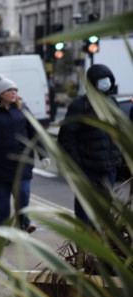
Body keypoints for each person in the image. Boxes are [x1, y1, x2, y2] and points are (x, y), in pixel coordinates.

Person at [58, 64, 122, 226]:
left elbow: (118, 133)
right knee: (85, 207)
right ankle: (83, 241)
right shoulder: (80, 105)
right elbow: (67, 137)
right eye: (102, 80)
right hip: (87, 167)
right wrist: (77, 164)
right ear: (92, 83)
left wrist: (117, 158)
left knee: (104, 207)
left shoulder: (112, 103)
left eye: (108, 79)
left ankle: (98, 239)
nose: (106, 83)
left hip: (108, 167)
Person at [0, 75, 50, 232]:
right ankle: (3, 230)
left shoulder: (23, 110)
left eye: (15, 90)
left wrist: (43, 154)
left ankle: (23, 223)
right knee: (1, 201)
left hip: (22, 163)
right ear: (1, 94)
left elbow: (35, 133)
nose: (14, 93)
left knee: (23, 195)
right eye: (9, 90)